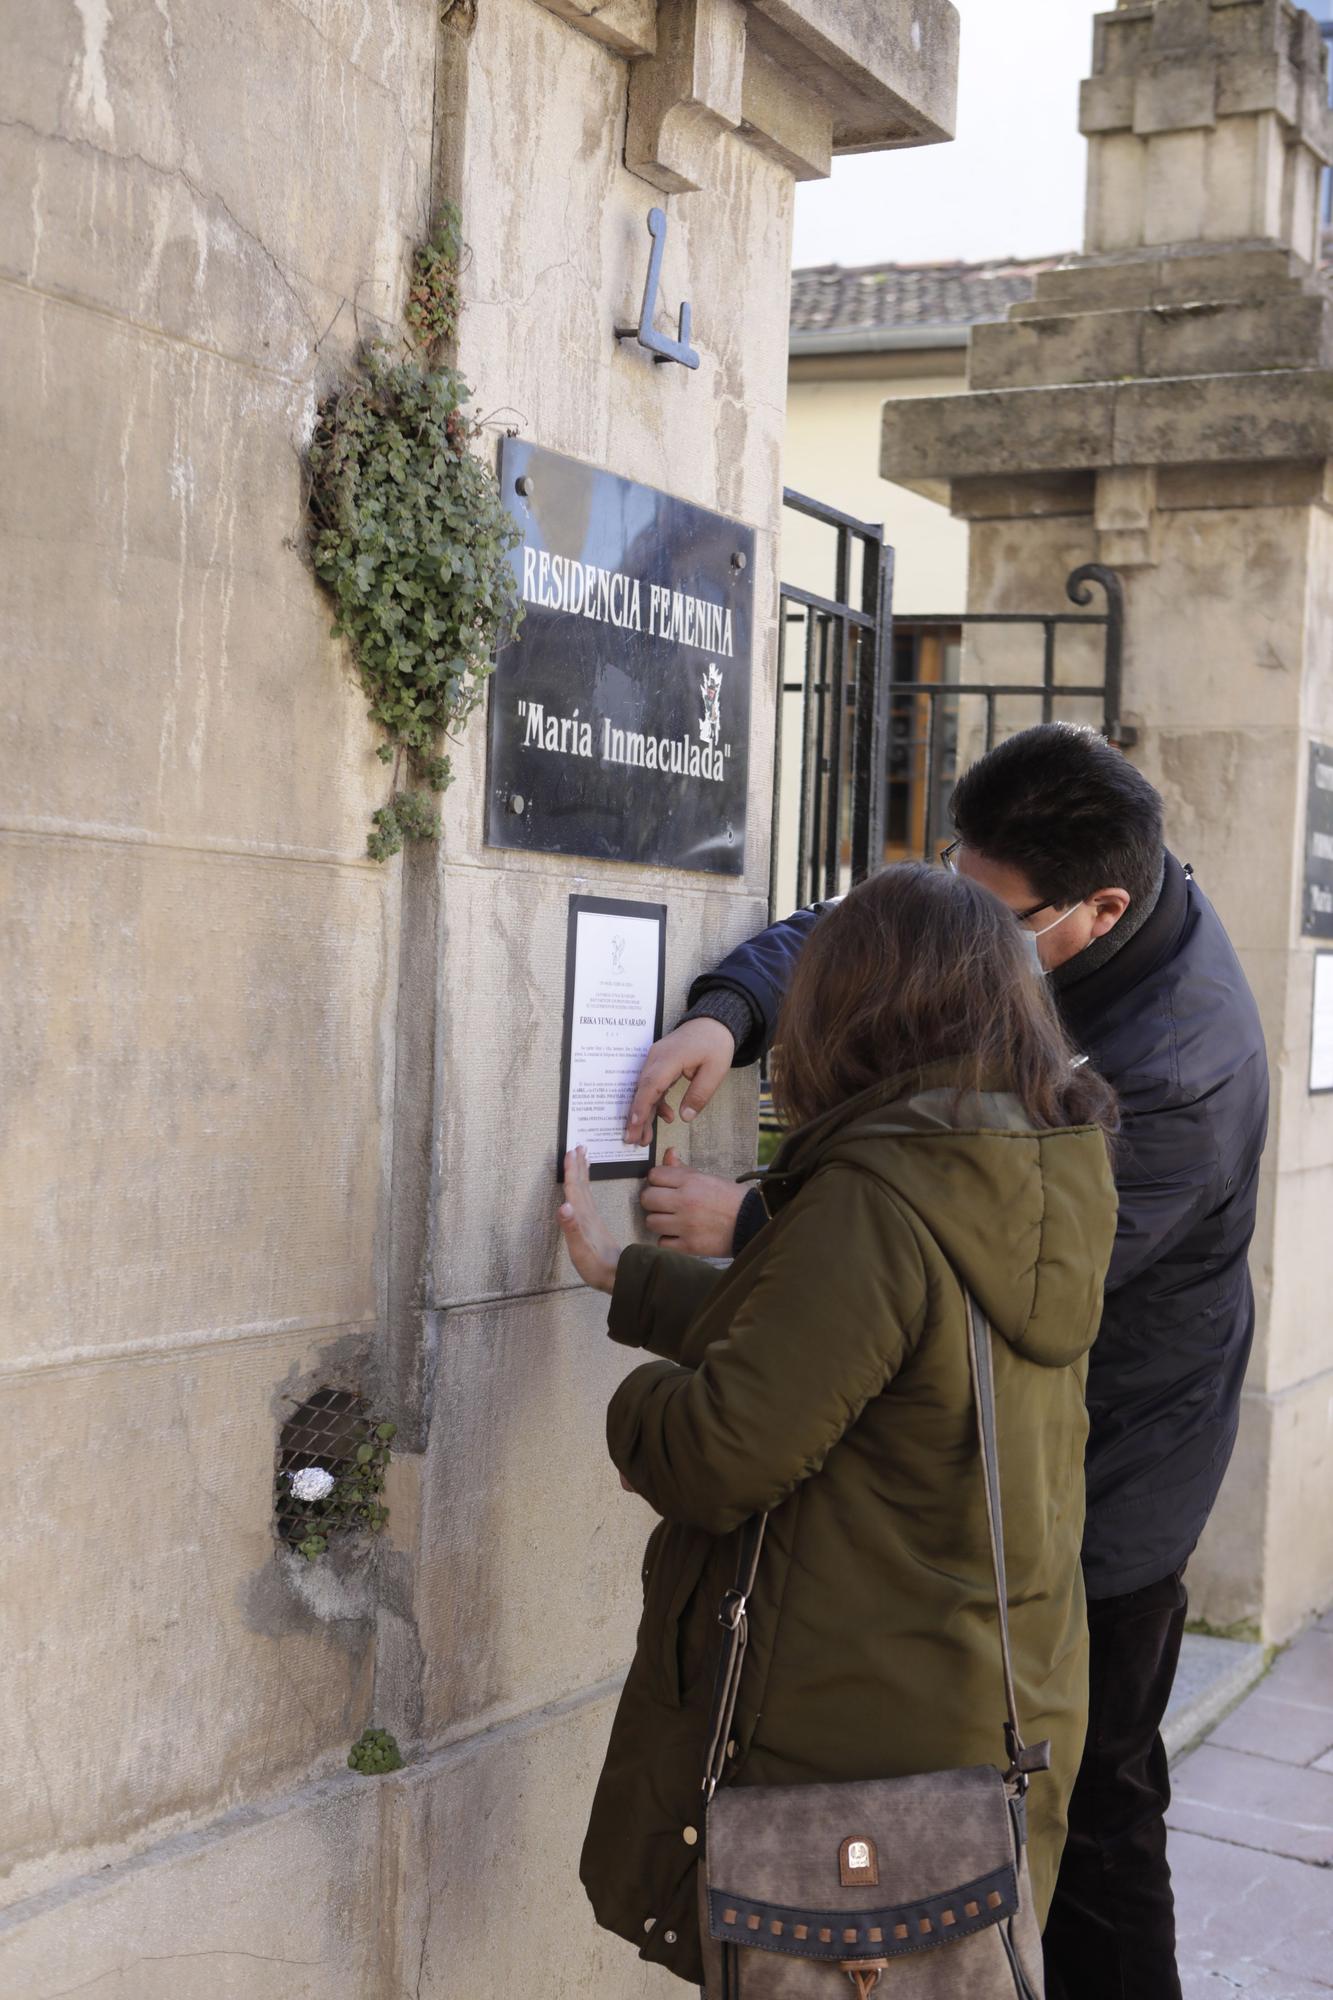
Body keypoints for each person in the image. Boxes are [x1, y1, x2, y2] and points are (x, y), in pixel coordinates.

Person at [623, 724, 1269, 2000]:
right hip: (986, 1434)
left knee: (1091, 1819)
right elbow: (885, 936)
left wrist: (752, 1225)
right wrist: (732, 1010)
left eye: (995, 912)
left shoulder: (1181, 1064)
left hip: (1114, 1474)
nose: (965, 926)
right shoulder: (1034, 898)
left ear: (1099, 909)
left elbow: (994, 1247)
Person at [558, 862, 1119, 1988]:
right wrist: (637, 1283)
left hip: (852, 1751)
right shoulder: (1021, 1163)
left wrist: (625, 1401)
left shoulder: (876, 1191)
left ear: (856, 1005)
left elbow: (719, 1449)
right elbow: (870, 1349)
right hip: (981, 1714)